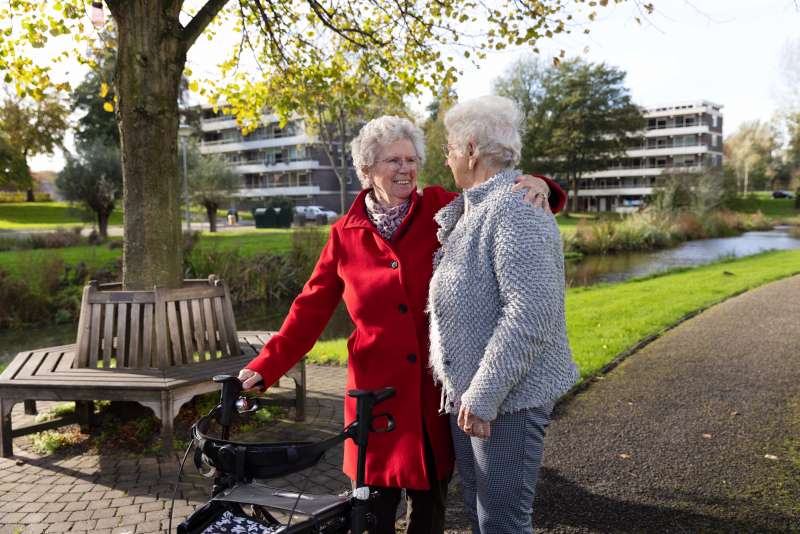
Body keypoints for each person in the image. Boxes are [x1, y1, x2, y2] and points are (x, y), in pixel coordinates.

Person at [238, 115, 567, 534]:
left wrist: (541, 184)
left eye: (412, 159)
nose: (405, 169)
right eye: (393, 160)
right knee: (370, 516)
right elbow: (308, 313)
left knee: (428, 517)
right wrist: (264, 367)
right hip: (375, 404)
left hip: (432, 399)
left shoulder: (443, 207)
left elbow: (494, 189)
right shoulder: (344, 234)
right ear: (367, 170)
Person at [427, 96, 579, 534]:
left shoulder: (516, 207)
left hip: (506, 399)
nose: (447, 158)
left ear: (471, 149)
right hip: (473, 396)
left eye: (449, 148)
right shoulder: (474, 207)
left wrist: (482, 395)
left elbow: (531, 313)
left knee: (502, 525)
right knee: (480, 515)